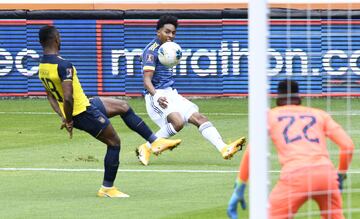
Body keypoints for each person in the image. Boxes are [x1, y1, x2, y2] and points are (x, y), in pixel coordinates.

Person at [37, 25, 181, 198]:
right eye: (60, 36)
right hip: (82, 113)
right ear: (56, 39)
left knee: (123, 106)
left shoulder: (42, 66)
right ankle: (107, 188)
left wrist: (62, 115)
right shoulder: (63, 65)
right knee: (114, 143)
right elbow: (67, 98)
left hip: (84, 105)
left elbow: (51, 97)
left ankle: (155, 141)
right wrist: (68, 120)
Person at [227, 80, 355, 219]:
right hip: (326, 174)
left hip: (295, 175)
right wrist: (340, 175)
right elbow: (347, 146)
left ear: (278, 97)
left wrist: (240, 186)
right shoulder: (319, 114)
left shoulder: (269, 116)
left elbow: (253, 152)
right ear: (299, 96)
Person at [136, 14, 246, 166]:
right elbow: (146, 81)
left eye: (173, 33)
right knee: (177, 122)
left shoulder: (171, 48)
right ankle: (147, 147)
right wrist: (156, 96)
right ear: (158, 32)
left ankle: (224, 148)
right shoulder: (151, 51)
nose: (170, 36)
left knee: (200, 118)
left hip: (171, 93)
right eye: (167, 32)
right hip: (155, 95)